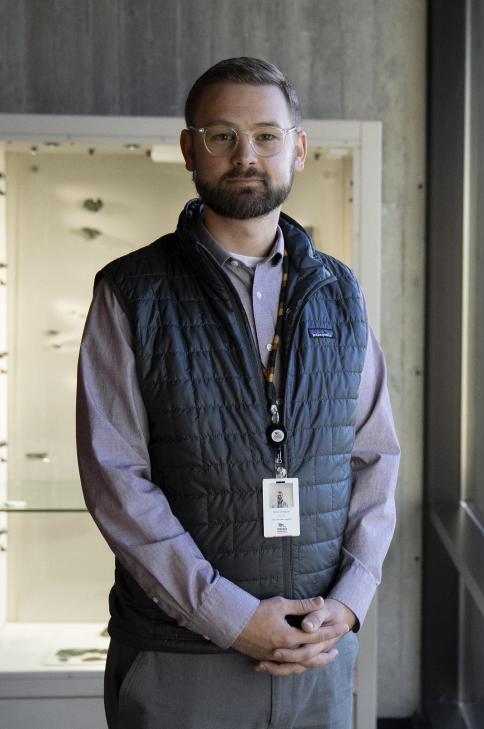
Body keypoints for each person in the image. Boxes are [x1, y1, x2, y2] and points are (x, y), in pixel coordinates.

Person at [76, 57, 399, 729]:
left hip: (319, 651)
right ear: (189, 149)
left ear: (299, 149)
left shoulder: (342, 293)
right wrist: (230, 616)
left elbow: (374, 457)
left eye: (267, 135)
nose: (246, 154)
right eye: (221, 135)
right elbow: (117, 480)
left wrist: (351, 599)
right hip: (181, 659)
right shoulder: (131, 291)